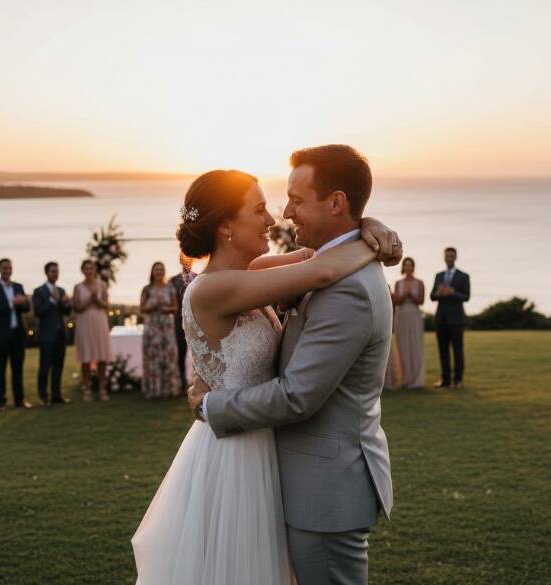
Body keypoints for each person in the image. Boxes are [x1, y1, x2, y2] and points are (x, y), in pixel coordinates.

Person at [132, 146, 401, 585]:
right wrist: (369, 241)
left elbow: (318, 261)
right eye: (259, 209)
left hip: (266, 448)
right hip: (234, 451)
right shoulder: (209, 291)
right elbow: (320, 271)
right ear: (225, 226)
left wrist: (368, 226)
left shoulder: (255, 269)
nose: (275, 218)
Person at [0, 258, 31, 412]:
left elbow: (26, 309)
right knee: (0, 370)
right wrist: (12, 303)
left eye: (9, 268)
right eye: (4, 268)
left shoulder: (18, 286)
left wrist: (23, 302)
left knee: (18, 369)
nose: (7, 271)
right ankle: (1, 402)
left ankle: (19, 401)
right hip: (0, 336)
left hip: (18, 335)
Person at [72, 259, 113, 401]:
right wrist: (90, 299)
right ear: (83, 270)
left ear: (94, 270)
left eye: (91, 268)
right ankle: (87, 389)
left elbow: (107, 306)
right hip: (84, 323)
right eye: (86, 268)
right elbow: (77, 308)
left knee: (102, 356)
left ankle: (102, 388)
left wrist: (97, 299)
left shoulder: (102, 285)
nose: (89, 271)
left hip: (99, 322)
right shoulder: (78, 287)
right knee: (86, 357)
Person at [139, 261, 182, 399]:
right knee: (153, 355)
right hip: (152, 326)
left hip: (166, 326)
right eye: (156, 270)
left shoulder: (169, 288)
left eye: (161, 270)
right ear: (152, 272)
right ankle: (153, 390)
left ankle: (169, 389)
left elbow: (175, 307)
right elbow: (142, 309)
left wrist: (165, 308)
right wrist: (153, 305)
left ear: (164, 272)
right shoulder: (147, 289)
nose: (159, 272)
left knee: (168, 355)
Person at [33, 261, 73, 406]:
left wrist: (67, 303)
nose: (55, 274)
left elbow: (67, 312)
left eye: (57, 271)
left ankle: (57, 395)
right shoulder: (39, 291)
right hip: (46, 335)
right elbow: (38, 312)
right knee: (45, 366)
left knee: (58, 366)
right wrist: (51, 299)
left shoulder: (61, 290)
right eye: (52, 271)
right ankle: (43, 396)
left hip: (60, 334)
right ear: (46, 273)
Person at [430, 247, 471, 389]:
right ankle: (445, 381)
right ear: (444, 257)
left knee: (458, 350)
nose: (449, 258)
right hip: (441, 319)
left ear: (455, 257)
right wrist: (440, 293)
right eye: (447, 256)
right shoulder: (439, 276)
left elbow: (466, 297)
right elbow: (432, 296)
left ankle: (458, 380)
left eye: (451, 256)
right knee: (443, 350)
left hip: (457, 319)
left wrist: (452, 292)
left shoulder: (463, 276)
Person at [391, 257, 425, 389]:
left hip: (414, 315)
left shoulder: (419, 282)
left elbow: (421, 300)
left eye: (410, 265)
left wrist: (411, 295)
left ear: (413, 267)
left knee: (416, 346)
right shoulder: (398, 283)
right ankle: (404, 379)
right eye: (406, 265)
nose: (408, 267)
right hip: (401, 315)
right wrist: (403, 295)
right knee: (402, 346)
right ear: (403, 267)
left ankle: (416, 380)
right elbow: (396, 301)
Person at [169, 252, 197, 392]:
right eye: (184, 259)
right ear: (180, 261)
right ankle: (180, 383)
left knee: (197, 353)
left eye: (189, 259)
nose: (187, 261)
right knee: (180, 352)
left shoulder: (198, 277)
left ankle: (197, 383)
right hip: (178, 321)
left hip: (196, 321)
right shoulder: (173, 280)